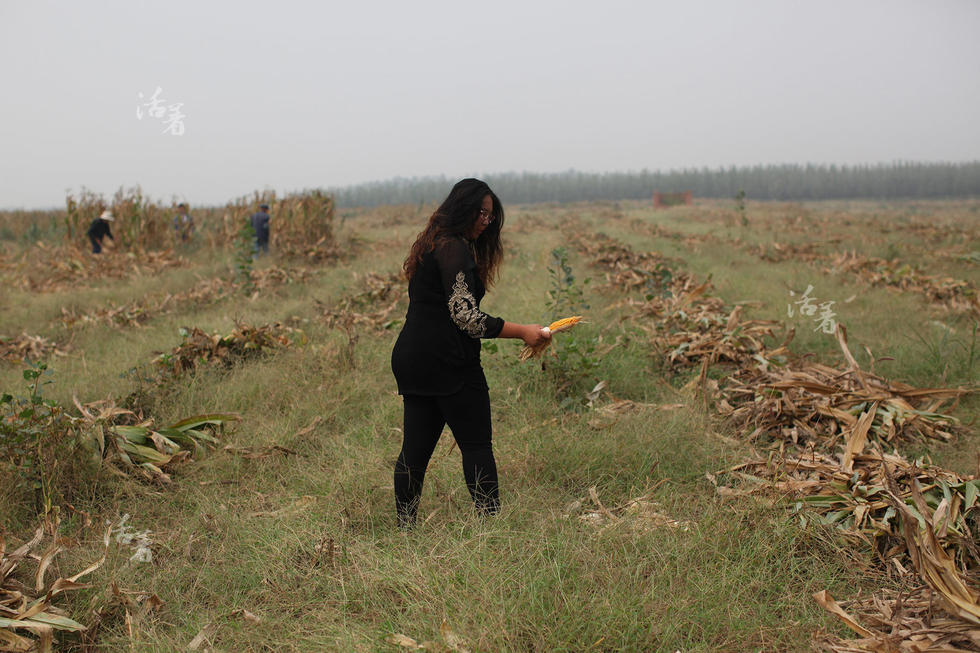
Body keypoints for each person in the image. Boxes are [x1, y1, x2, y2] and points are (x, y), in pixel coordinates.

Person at [390, 178, 551, 529]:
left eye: (490, 216)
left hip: (413, 359)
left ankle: (405, 529)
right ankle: (491, 527)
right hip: (448, 362)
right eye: (481, 212)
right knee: (476, 445)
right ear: (462, 208)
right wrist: (523, 331)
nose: (485, 221)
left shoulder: (432, 244)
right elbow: (467, 318)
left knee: (414, 452)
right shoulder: (454, 249)